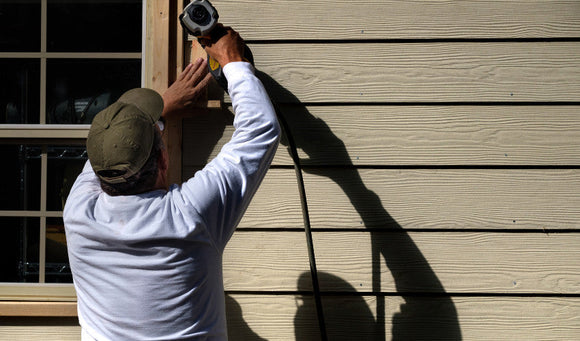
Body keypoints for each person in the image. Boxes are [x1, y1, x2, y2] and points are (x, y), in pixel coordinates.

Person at [64, 27, 280, 340]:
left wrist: (163, 108)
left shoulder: (78, 210)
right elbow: (260, 129)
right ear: (164, 161)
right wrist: (233, 61)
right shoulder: (189, 215)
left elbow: (109, 151)